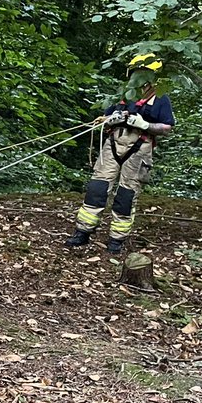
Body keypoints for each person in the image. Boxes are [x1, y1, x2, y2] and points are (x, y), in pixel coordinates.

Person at [65, 54, 175, 253]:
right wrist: (111, 118)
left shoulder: (160, 98)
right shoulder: (126, 94)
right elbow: (106, 116)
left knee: (126, 194)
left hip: (139, 149)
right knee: (97, 187)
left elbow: (167, 127)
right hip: (114, 143)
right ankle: (83, 232)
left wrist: (146, 125)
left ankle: (117, 240)